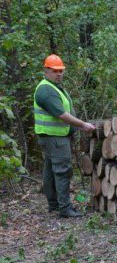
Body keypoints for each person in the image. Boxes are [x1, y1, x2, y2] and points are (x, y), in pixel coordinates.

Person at [33, 54, 96, 218]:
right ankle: (65, 208)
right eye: (55, 71)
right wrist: (82, 125)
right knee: (62, 171)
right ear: (46, 71)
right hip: (55, 138)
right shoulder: (46, 90)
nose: (59, 74)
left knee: (50, 171)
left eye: (61, 70)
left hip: (53, 137)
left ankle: (54, 205)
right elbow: (61, 114)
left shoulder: (53, 86)